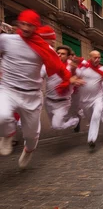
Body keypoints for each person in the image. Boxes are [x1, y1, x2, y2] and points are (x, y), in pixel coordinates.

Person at [0, 10, 71, 168]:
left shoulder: (45, 48)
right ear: (18, 23)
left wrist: (68, 79)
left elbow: (60, 68)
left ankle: (29, 149)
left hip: (31, 96)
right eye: (22, 24)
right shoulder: (6, 40)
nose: (25, 28)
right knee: (2, 116)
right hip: (7, 89)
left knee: (31, 136)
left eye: (30, 25)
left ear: (36, 27)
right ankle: (8, 134)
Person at [41, 45, 83, 131]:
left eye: (63, 54)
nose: (59, 55)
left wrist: (75, 79)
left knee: (57, 126)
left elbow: (78, 79)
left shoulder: (72, 68)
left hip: (63, 103)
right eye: (58, 53)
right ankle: (68, 119)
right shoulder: (48, 65)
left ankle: (75, 121)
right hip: (48, 101)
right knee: (54, 125)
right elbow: (39, 76)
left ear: (68, 57)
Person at [75, 50, 103, 149]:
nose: (98, 59)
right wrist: (77, 81)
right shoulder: (83, 68)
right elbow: (74, 77)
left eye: (99, 57)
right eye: (95, 57)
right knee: (92, 119)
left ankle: (92, 139)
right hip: (85, 100)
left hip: (98, 98)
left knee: (96, 115)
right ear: (90, 57)